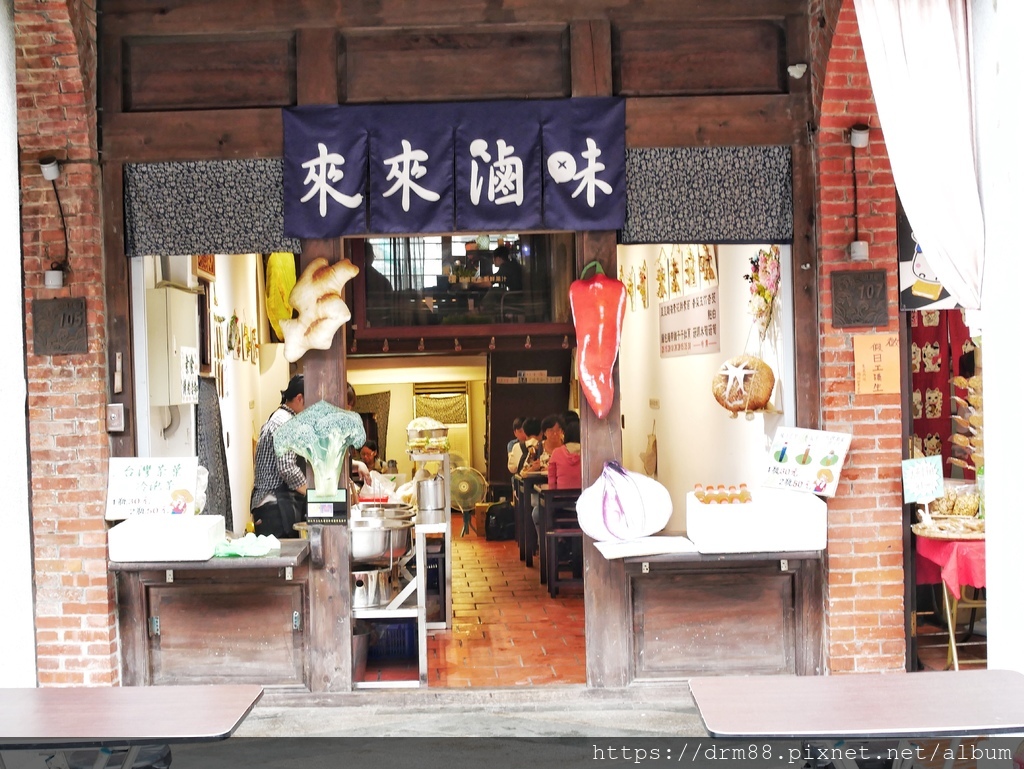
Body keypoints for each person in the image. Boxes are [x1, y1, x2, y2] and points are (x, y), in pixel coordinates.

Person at [250, 374, 306, 539]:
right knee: (281, 562)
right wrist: (312, 491)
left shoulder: (281, 417)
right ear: (300, 398)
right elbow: (287, 467)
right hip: (274, 508)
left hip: (274, 505)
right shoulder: (285, 422)